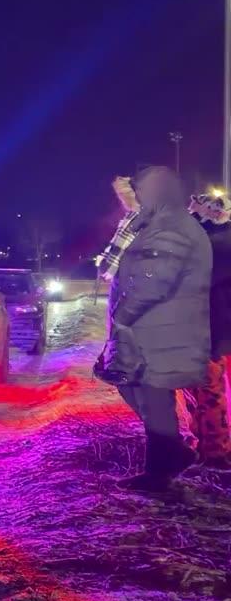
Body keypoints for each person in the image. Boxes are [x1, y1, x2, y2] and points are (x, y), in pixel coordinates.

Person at [99, 167, 212, 491]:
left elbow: (151, 279)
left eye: (131, 194)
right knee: (137, 388)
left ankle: (162, 468)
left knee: (150, 392)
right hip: (145, 323)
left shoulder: (162, 225)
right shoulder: (141, 222)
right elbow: (110, 268)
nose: (126, 202)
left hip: (154, 324)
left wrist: (126, 316)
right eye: (121, 196)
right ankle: (169, 455)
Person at [183, 193, 231, 468]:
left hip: (211, 331)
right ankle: (204, 445)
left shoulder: (221, 241)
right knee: (198, 390)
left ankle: (216, 453)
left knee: (209, 390)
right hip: (201, 329)